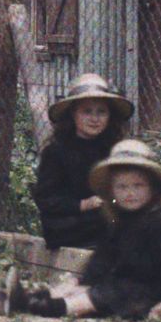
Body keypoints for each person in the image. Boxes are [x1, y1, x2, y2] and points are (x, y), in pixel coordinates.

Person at [7, 139, 161, 320]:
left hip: (147, 293)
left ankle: (42, 307)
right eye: (122, 187)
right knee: (81, 288)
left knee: (98, 296)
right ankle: (30, 298)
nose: (130, 193)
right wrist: (82, 282)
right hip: (120, 287)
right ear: (112, 191)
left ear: (153, 188)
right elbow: (103, 259)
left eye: (138, 186)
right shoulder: (119, 221)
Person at [31, 72, 130, 250]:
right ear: (73, 114)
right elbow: (46, 199)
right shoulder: (56, 152)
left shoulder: (112, 151)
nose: (94, 119)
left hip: (104, 218)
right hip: (68, 224)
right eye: (87, 111)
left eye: (101, 112)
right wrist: (83, 204)